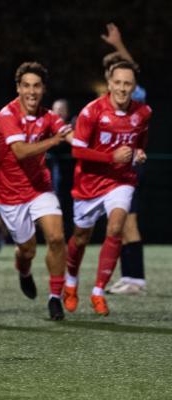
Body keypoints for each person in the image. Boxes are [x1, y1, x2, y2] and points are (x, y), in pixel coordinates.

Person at [63, 60, 151, 316]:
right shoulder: (91, 112)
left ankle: (98, 291)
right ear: (110, 83)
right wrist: (110, 158)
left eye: (128, 84)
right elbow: (77, 150)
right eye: (119, 83)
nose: (123, 89)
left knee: (115, 227)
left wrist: (139, 153)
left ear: (134, 87)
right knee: (80, 237)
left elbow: (140, 140)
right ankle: (70, 282)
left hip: (121, 181)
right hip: (89, 183)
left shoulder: (143, 112)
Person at [0, 62, 73, 321]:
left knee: (57, 237)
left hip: (39, 187)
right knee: (28, 250)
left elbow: (68, 135)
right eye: (26, 86)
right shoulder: (7, 115)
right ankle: (24, 271)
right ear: (18, 88)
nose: (31, 91)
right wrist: (54, 141)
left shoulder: (48, 116)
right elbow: (21, 151)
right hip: (10, 194)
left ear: (43, 89)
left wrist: (89, 144)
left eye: (36, 86)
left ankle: (54, 298)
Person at [100, 22, 148, 294]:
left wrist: (118, 45)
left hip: (129, 167)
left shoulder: (133, 97)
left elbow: (133, 74)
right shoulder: (108, 102)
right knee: (119, 222)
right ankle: (129, 276)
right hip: (115, 169)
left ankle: (136, 279)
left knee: (128, 222)